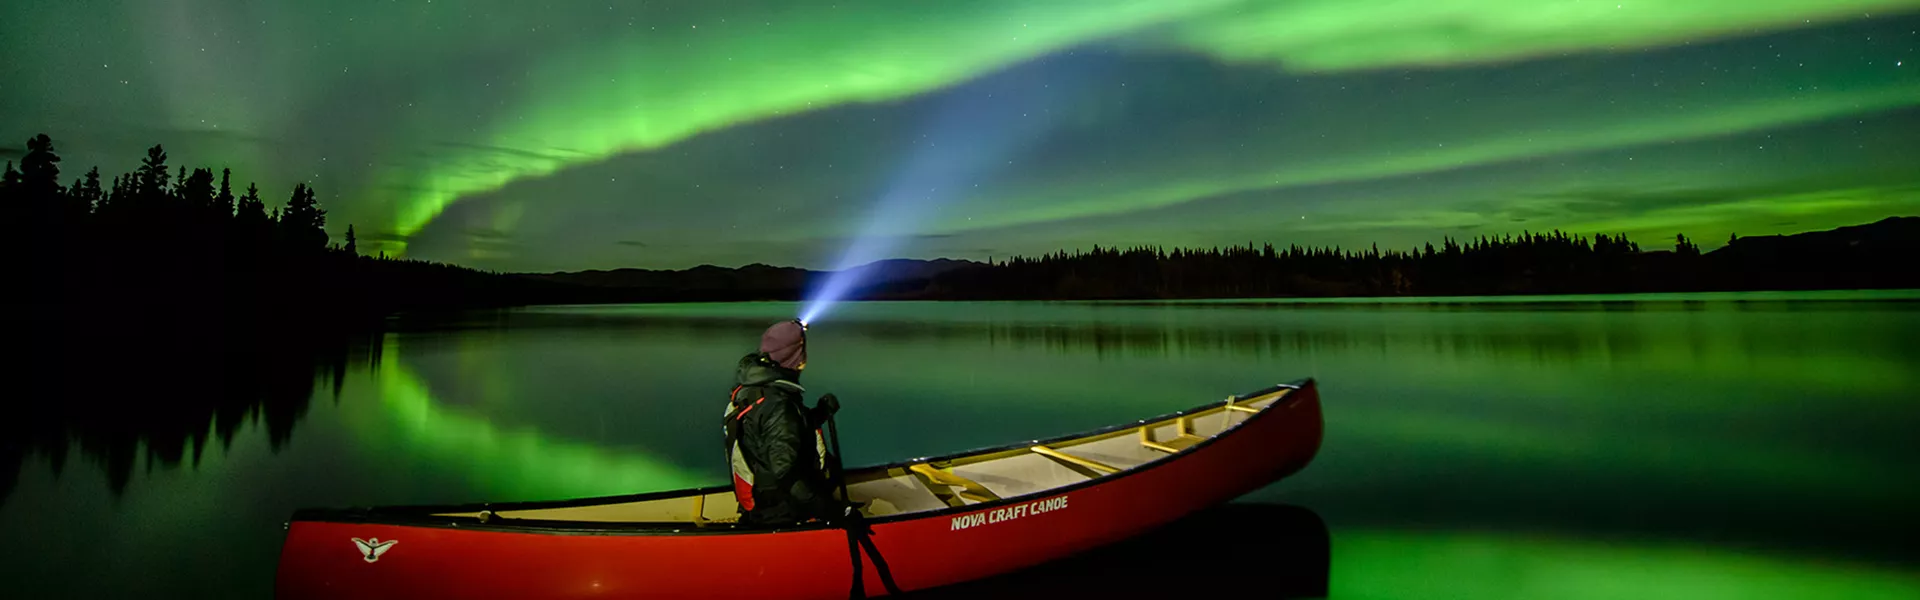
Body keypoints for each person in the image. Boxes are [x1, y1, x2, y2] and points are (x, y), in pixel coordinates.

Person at [724, 319, 847, 526]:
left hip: (763, 504)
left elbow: (773, 432)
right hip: (782, 513)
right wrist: (835, 513)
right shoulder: (780, 405)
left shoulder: (754, 390)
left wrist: (820, 414)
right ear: (798, 359)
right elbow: (785, 475)